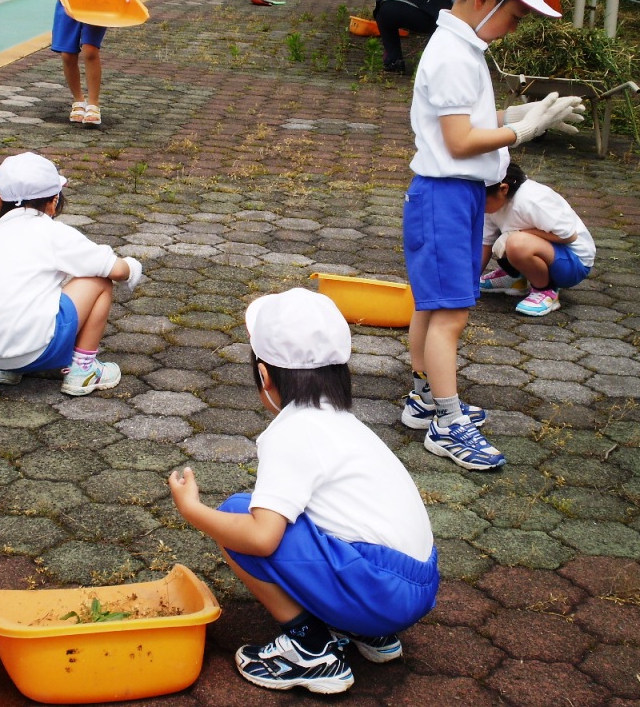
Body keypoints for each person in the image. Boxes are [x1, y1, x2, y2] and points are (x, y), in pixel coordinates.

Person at [168, 288, 439, 695]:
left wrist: (193, 510)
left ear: (264, 376)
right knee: (298, 516)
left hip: (383, 593)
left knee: (237, 515)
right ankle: (366, 631)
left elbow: (261, 538)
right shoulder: (343, 421)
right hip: (416, 584)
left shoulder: (294, 431)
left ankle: (310, 649)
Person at [400, 0, 585, 470]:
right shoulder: (453, 55)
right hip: (445, 196)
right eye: (516, 15)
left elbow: (464, 122)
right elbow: (460, 141)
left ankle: (424, 399)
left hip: (451, 196)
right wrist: (523, 130)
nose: (515, 27)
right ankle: (446, 423)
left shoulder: (461, 47)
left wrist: (513, 115)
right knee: (450, 315)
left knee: (434, 306)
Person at [0, 152, 143, 396]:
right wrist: (132, 266)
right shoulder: (52, 232)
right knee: (99, 279)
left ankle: (8, 370)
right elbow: (116, 270)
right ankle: (83, 370)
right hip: (35, 350)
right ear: (54, 201)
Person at [479, 161, 595, 316]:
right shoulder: (491, 204)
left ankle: (545, 290)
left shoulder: (531, 200)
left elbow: (568, 235)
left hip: (572, 263)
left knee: (516, 243)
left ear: (504, 189)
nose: (478, 206)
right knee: (506, 238)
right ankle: (515, 277)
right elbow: (485, 243)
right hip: (545, 251)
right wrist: (469, 282)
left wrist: (516, 233)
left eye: (482, 201)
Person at [44, 0, 136, 127]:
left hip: (100, 1)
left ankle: (93, 104)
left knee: (90, 50)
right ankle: (78, 100)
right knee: (68, 55)